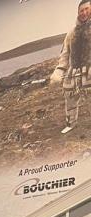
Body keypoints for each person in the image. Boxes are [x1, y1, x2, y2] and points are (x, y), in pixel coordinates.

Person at [51, 0, 91, 134]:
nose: (84, 12)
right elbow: (65, 53)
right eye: (81, 10)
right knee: (70, 96)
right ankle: (71, 123)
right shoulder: (72, 32)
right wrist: (59, 70)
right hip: (75, 70)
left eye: (87, 9)